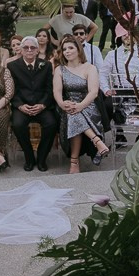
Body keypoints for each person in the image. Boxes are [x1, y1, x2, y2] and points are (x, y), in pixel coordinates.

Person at [53, 36, 110, 174]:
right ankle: (97, 140)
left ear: (79, 50)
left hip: (88, 105)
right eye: (64, 49)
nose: (67, 51)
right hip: (66, 105)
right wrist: (61, 103)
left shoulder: (90, 68)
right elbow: (57, 91)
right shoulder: (59, 69)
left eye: (70, 48)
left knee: (74, 114)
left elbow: (93, 92)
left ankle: (74, 162)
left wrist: (80, 106)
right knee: (71, 112)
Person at [6, 36, 57, 172]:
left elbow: (49, 89)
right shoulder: (12, 66)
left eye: (32, 48)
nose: (29, 50)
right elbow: (11, 90)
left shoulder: (45, 65)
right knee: (17, 124)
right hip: (22, 106)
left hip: (41, 106)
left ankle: (41, 157)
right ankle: (29, 157)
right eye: (26, 48)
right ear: (21, 50)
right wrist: (20, 105)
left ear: (37, 51)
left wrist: (43, 105)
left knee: (52, 124)